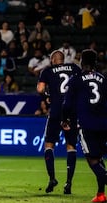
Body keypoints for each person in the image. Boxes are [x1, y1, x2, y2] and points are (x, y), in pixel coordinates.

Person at [61, 49, 107, 202]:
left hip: (87, 124)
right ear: (95, 63)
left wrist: (64, 119)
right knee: (99, 159)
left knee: (92, 161)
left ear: (82, 62)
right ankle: (101, 194)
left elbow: (67, 104)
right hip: (104, 124)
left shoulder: (76, 79)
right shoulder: (102, 78)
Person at [37, 50, 81, 194]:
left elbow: (40, 89)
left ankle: (52, 178)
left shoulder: (48, 70)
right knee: (71, 146)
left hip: (56, 110)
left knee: (49, 144)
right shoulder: (74, 68)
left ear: (53, 60)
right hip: (72, 111)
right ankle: (69, 183)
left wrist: (48, 96)